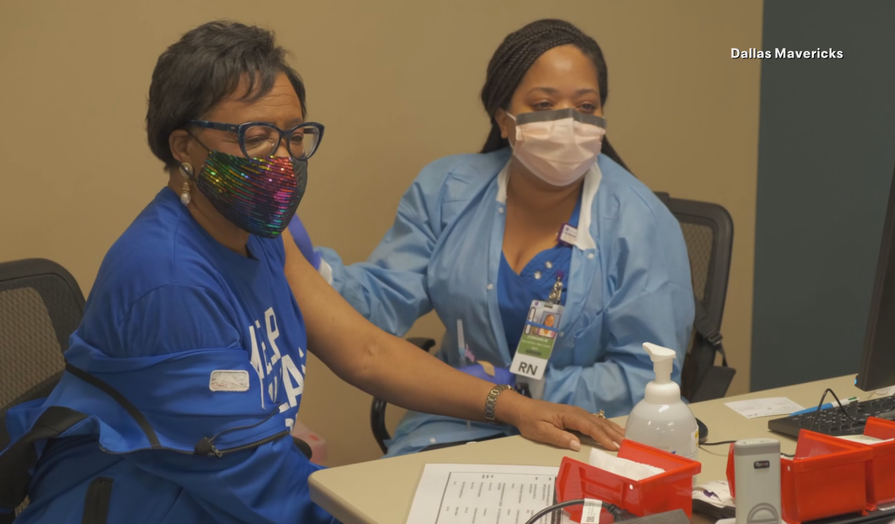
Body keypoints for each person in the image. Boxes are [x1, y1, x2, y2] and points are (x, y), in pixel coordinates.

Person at [0, 21, 624, 524]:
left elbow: (366, 352)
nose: (282, 159)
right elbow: (260, 488)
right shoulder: (168, 282)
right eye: (255, 137)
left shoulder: (264, 232)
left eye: (294, 135)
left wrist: (510, 407)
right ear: (184, 147)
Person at [318, 19, 695, 457]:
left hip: (583, 433)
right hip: (457, 420)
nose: (568, 121)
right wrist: (315, 270)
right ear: (504, 120)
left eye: (586, 106)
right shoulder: (448, 191)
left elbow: (648, 375)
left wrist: (520, 389)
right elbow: (383, 298)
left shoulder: (639, 219)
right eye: (544, 103)